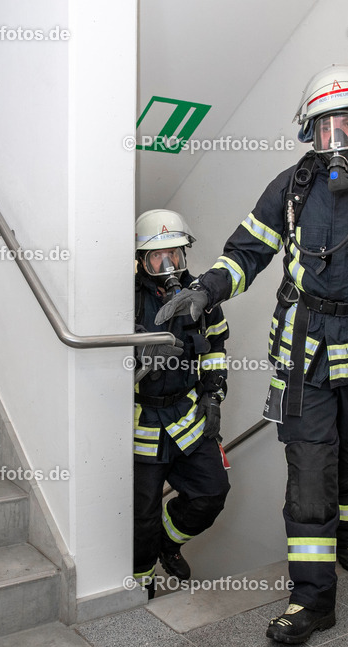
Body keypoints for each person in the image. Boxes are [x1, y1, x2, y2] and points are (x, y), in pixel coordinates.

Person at [155, 65, 348, 643]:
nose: (337, 142)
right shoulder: (292, 187)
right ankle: (312, 599)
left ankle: (346, 539)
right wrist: (206, 289)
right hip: (303, 359)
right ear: (310, 136)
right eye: (325, 131)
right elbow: (246, 253)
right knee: (310, 476)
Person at [132, 209, 231, 598]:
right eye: (158, 255)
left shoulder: (202, 296)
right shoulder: (123, 298)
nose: (168, 263)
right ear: (141, 259)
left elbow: (217, 346)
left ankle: (167, 543)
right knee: (142, 516)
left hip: (188, 415)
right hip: (142, 421)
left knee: (212, 491)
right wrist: (138, 353)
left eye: (174, 253)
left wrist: (214, 394)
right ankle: (139, 589)